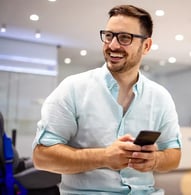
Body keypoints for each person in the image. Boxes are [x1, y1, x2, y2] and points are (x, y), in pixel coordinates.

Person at [32, 5, 182, 195]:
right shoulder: (72, 89)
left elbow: (174, 154)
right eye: (109, 35)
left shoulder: (161, 97)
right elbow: (41, 157)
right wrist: (103, 157)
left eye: (125, 38)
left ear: (146, 46)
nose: (112, 45)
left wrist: (156, 160)